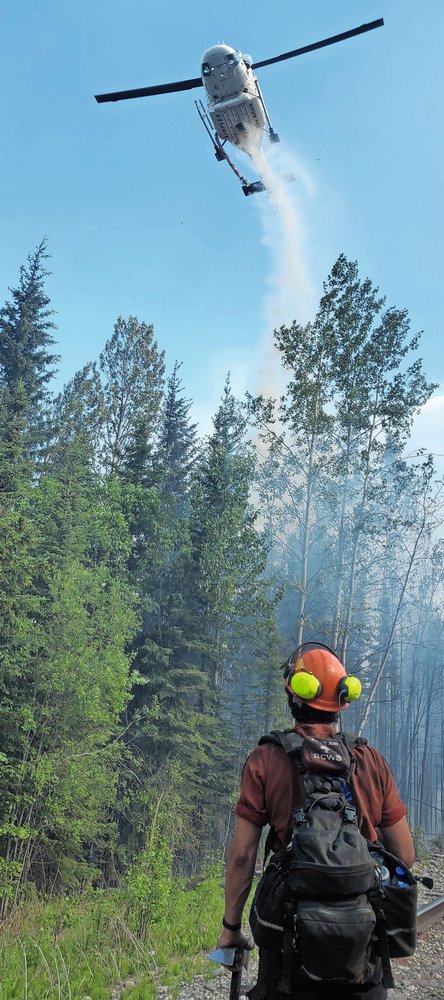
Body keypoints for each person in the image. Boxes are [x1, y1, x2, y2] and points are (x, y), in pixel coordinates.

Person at [216, 643, 415, 1000]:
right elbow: (404, 856)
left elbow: (243, 855)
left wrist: (231, 927)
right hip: (362, 958)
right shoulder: (370, 760)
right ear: (343, 702)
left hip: (288, 958)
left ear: (293, 696)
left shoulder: (265, 760)